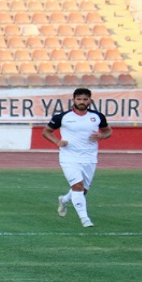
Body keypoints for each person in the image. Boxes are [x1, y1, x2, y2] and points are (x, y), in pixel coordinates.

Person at [41, 88, 112, 227]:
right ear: (73, 100)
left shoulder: (97, 116)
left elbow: (108, 130)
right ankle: (85, 219)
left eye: (85, 99)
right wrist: (57, 142)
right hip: (69, 157)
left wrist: (102, 136)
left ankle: (64, 200)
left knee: (82, 190)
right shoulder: (62, 117)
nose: (82, 102)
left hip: (89, 157)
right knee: (77, 186)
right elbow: (46, 132)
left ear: (90, 101)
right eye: (79, 99)